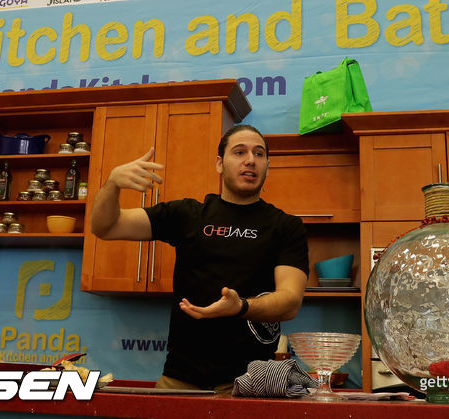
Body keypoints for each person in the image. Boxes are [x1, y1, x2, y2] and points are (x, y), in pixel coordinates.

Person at [90, 124, 309, 393]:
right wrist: (112, 184)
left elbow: (290, 302)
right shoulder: (187, 214)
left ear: (267, 166)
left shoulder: (286, 227)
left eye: (259, 153)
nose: (250, 160)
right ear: (219, 164)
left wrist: (240, 306)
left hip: (248, 384)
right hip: (178, 381)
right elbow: (105, 227)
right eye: (239, 152)